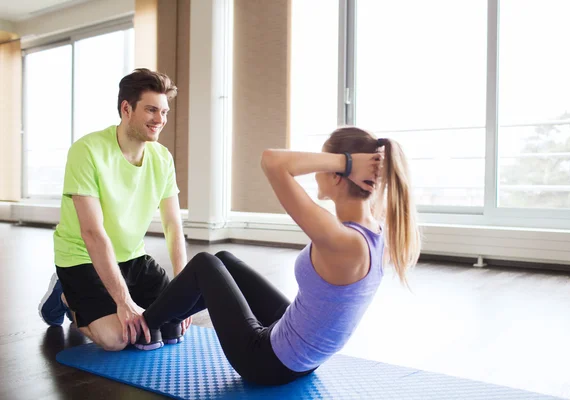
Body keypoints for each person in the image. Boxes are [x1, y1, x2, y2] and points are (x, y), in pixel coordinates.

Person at [137, 126, 421, 385]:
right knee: (224, 259)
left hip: (267, 362)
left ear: (337, 175)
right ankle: (171, 320)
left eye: (324, 162)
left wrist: (344, 161)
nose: (316, 170)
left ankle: (143, 328)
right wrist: (347, 163)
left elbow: (272, 161)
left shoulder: (342, 241)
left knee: (204, 264)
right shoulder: (375, 230)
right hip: (305, 355)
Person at [38, 68, 192, 351]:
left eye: (165, 112)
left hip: (133, 257)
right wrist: (123, 302)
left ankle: (117, 295)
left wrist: (183, 291)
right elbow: (92, 232)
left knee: (171, 328)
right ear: (126, 108)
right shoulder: (87, 151)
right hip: (82, 257)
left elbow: (173, 225)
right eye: (151, 110)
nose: (160, 120)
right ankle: (64, 295)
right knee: (117, 339)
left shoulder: (162, 157)